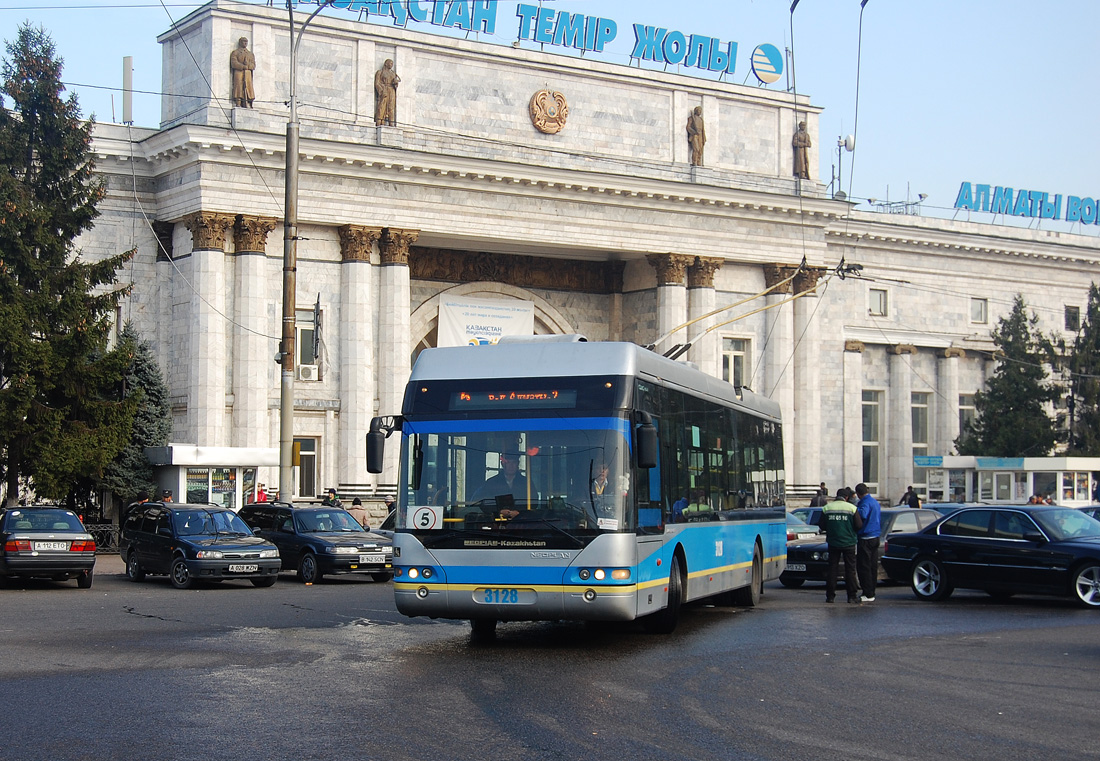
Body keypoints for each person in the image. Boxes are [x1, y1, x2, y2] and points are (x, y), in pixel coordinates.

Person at [817, 488, 863, 603]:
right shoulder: (852, 508)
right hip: (849, 543)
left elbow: (821, 525)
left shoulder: (827, 508)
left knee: (832, 569)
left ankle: (830, 596)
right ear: (846, 498)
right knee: (850, 570)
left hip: (833, 543)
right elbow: (859, 525)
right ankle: (851, 596)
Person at [470, 452, 528, 519]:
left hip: (521, 523)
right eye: (508, 462)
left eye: (514, 462)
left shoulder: (526, 483)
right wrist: (499, 511)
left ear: (518, 464)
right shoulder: (491, 482)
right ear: (502, 464)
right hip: (496, 523)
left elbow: (532, 502)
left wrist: (519, 512)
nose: (511, 466)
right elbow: (484, 502)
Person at [855, 483, 882, 602]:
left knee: (864, 566)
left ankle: (867, 593)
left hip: (866, 536)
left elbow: (862, 515)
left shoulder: (864, 503)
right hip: (875, 536)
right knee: (872, 566)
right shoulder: (874, 502)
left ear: (858, 494)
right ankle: (872, 591)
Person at [230, 37, 255, 108]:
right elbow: (234, 63)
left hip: (247, 74)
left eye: (246, 42)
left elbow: (253, 64)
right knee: (238, 87)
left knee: (248, 87)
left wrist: (248, 65)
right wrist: (242, 66)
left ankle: (249, 102)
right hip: (239, 73)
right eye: (244, 41)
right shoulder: (235, 52)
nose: (245, 43)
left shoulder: (250, 54)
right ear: (240, 42)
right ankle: (238, 101)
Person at [375, 59, 400, 126]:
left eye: (392, 63)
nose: (391, 65)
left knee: (391, 106)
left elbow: (396, 84)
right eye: (390, 63)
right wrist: (381, 90)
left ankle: (391, 122)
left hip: (391, 90)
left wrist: (395, 83)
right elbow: (377, 83)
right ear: (386, 63)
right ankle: (379, 121)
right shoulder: (380, 72)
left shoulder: (393, 73)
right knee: (382, 106)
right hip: (384, 89)